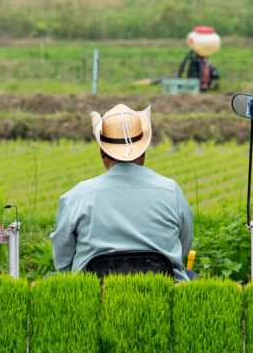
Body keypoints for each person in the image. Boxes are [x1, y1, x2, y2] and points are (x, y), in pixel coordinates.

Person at [50, 104, 195, 280]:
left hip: (93, 293)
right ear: (143, 152)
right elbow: (183, 247)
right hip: (163, 289)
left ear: (102, 152)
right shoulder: (171, 191)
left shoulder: (77, 196)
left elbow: (62, 261)